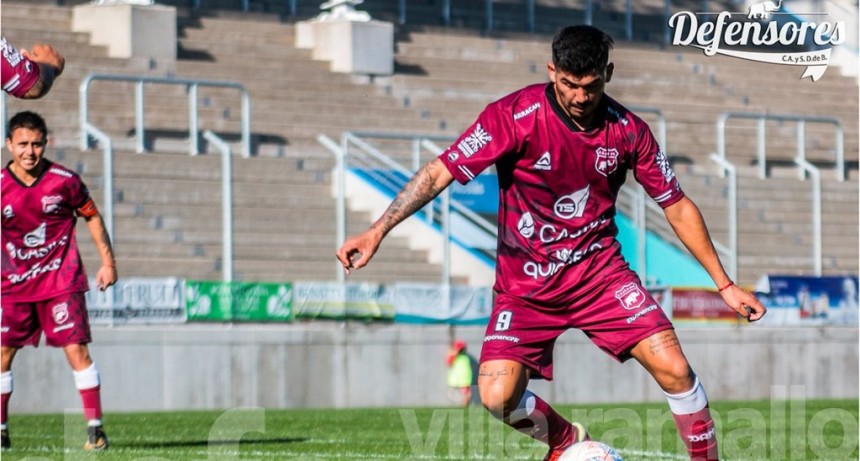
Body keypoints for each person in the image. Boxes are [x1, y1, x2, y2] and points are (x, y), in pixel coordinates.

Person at [336, 25, 766, 461]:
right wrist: (377, 230)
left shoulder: (628, 131)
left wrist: (724, 284)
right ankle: (564, 443)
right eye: (569, 85)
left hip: (600, 277)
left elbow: (675, 204)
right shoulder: (513, 116)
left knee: (675, 368)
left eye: (591, 86)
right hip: (525, 289)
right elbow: (440, 171)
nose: (580, 97)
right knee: (496, 396)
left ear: (608, 74)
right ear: (552, 71)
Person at [1, 111, 117, 450]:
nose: (30, 151)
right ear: (9, 144)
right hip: (12, 287)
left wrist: (108, 262)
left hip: (60, 283)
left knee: (76, 350)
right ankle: (1, 431)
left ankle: (95, 430)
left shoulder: (64, 181)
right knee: (3, 353)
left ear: (46, 142)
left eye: (37, 143)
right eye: (22, 144)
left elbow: (92, 217)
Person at [446, 339, 474, 407]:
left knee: (467, 394)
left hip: (465, 379)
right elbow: (449, 362)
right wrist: (454, 353)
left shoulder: (465, 356)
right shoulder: (454, 356)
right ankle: (465, 407)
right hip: (460, 379)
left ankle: (465, 406)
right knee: (467, 394)